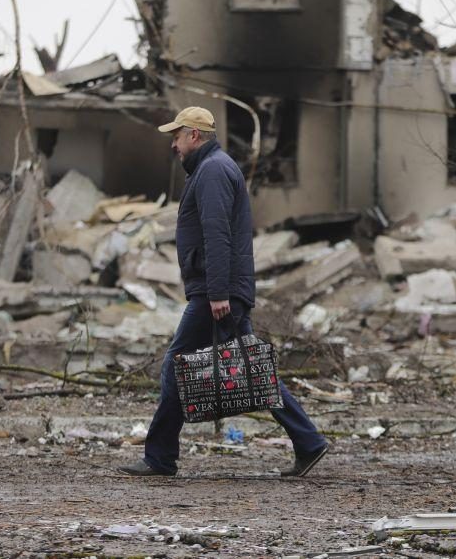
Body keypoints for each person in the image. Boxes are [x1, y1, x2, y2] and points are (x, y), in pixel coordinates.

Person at [118, 106, 329, 478]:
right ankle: (308, 441)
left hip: (217, 293)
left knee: (175, 365)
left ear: (194, 136)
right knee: (252, 369)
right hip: (222, 289)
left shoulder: (213, 171)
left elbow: (218, 235)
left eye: (177, 136)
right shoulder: (212, 168)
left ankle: (160, 457)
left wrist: (217, 293)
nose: (174, 145)